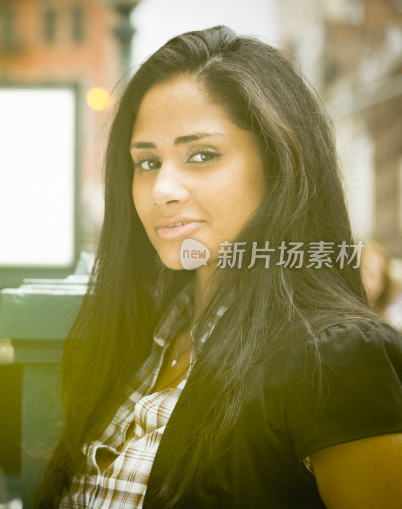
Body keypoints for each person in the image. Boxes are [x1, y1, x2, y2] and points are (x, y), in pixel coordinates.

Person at [38, 26, 402, 508]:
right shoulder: (139, 334)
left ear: (279, 164)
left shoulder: (336, 357)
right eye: (146, 162)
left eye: (201, 155)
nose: (162, 189)